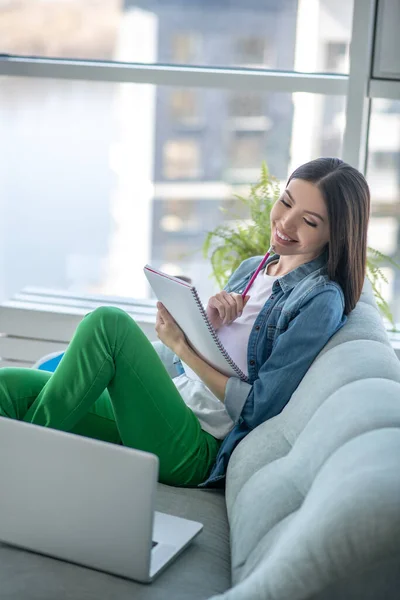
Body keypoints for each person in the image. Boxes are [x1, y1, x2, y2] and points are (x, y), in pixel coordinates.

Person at [0, 157, 370, 488]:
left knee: (107, 325)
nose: (285, 222)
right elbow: (199, 363)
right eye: (286, 201)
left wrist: (182, 346)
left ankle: (22, 467)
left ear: (335, 233)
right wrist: (203, 325)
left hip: (194, 445)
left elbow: (259, 407)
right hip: (170, 403)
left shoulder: (319, 301)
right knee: (8, 387)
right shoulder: (253, 268)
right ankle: (27, 458)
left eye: (308, 221)